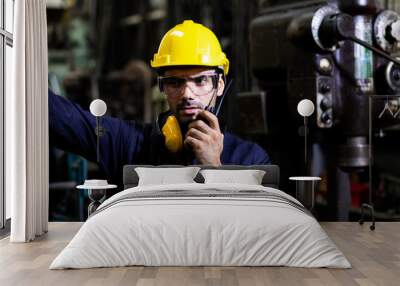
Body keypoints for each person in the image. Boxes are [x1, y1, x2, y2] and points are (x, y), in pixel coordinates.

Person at [49, 20, 271, 187]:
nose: (187, 93)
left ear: (219, 85)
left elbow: (255, 230)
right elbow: (58, 116)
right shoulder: (129, 143)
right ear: (162, 87)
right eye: (175, 82)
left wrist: (214, 168)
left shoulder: (251, 159)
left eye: (201, 80)